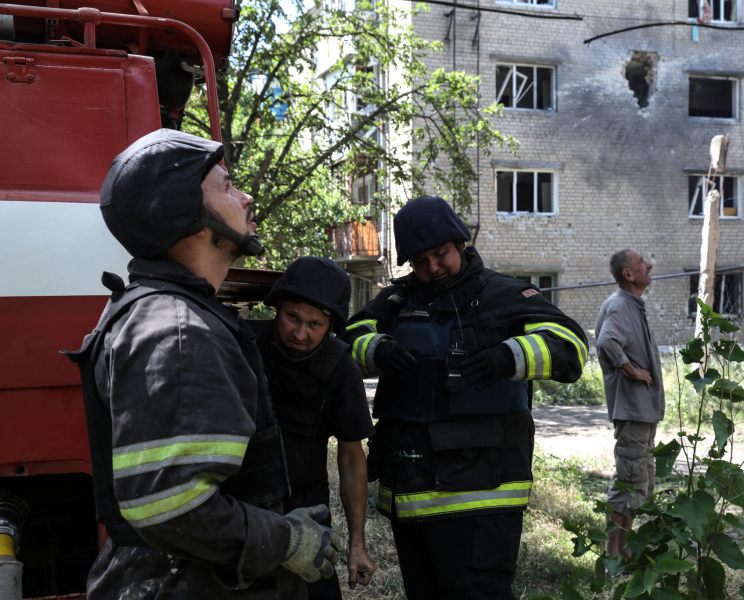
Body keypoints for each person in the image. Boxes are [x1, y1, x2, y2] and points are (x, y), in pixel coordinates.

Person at [64, 129, 340, 599]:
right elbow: (170, 505)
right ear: (187, 214)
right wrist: (284, 540)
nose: (246, 195)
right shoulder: (179, 329)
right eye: (227, 186)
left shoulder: (164, 312)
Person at [343, 196, 588, 600]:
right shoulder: (397, 301)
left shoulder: (505, 295)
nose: (432, 268)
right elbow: (347, 340)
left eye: (440, 255)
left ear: (460, 242)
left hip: (481, 498)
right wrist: (378, 348)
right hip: (410, 498)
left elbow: (572, 345)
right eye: (420, 261)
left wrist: (509, 357)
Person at [247, 256, 377, 599]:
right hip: (244, 510)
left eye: (315, 324)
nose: (300, 333)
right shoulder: (242, 347)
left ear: (331, 325)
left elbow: (351, 459)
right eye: (292, 317)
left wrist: (357, 544)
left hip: (307, 510)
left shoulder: (341, 370)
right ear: (277, 308)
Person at [594, 249, 665, 558]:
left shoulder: (631, 305)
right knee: (627, 483)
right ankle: (613, 553)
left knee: (638, 484)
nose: (648, 265)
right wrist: (631, 370)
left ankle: (622, 550)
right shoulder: (620, 305)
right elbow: (606, 342)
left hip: (642, 412)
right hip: (632, 410)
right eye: (641, 262)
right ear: (629, 274)